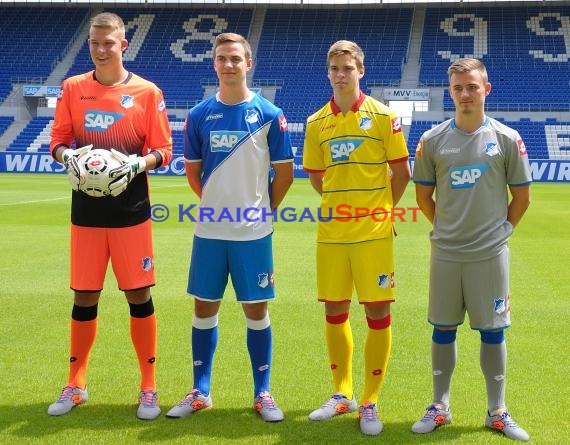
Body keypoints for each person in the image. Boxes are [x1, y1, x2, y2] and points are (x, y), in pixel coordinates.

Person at [47, 12, 172, 420]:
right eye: (95, 43)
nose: (102, 50)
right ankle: (76, 383)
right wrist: (74, 157)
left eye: (109, 43)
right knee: (85, 295)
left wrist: (136, 165)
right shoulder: (72, 88)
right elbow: (58, 142)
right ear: (90, 45)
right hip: (86, 211)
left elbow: (163, 151)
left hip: (130, 211)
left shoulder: (147, 92)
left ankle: (148, 388)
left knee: (138, 293)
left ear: (124, 45)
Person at [166, 32, 293, 423]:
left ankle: (262, 393)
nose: (229, 64)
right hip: (209, 231)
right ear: (215, 64)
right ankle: (200, 391)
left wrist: (261, 211)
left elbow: (285, 175)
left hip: (253, 233)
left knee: (256, 310)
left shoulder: (269, 114)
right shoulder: (200, 114)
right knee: (204, 307)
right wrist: (216, 207)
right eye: (222, 58)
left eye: (236, 58)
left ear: (248, 63)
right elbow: (193, 174)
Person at [411, 58, 531, 441]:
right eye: (458, 88)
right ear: (450, 92)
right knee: (443, 329)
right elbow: (423, 196)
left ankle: (497, 411)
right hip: (446, 254)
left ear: (486, 89)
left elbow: (522, 197)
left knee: (493, 332)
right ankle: (439, 406)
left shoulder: (507, 139)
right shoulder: (432, 141)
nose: (465, 94)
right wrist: (447, 229)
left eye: (472, 87)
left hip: (490, 256)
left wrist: (501, 231)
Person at [302, 40, 411, 436]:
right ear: (328, 73)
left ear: (360, 71)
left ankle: (369, 400)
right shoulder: (316, 123)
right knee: (334, 308)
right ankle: (341, 393)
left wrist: (381, 210)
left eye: (348, 68)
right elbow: (316, 176)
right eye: (335, 68)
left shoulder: (384, 117)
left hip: (374, 234)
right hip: (332, 232)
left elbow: (402, 173)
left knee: (378, 312)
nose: (341, 74)